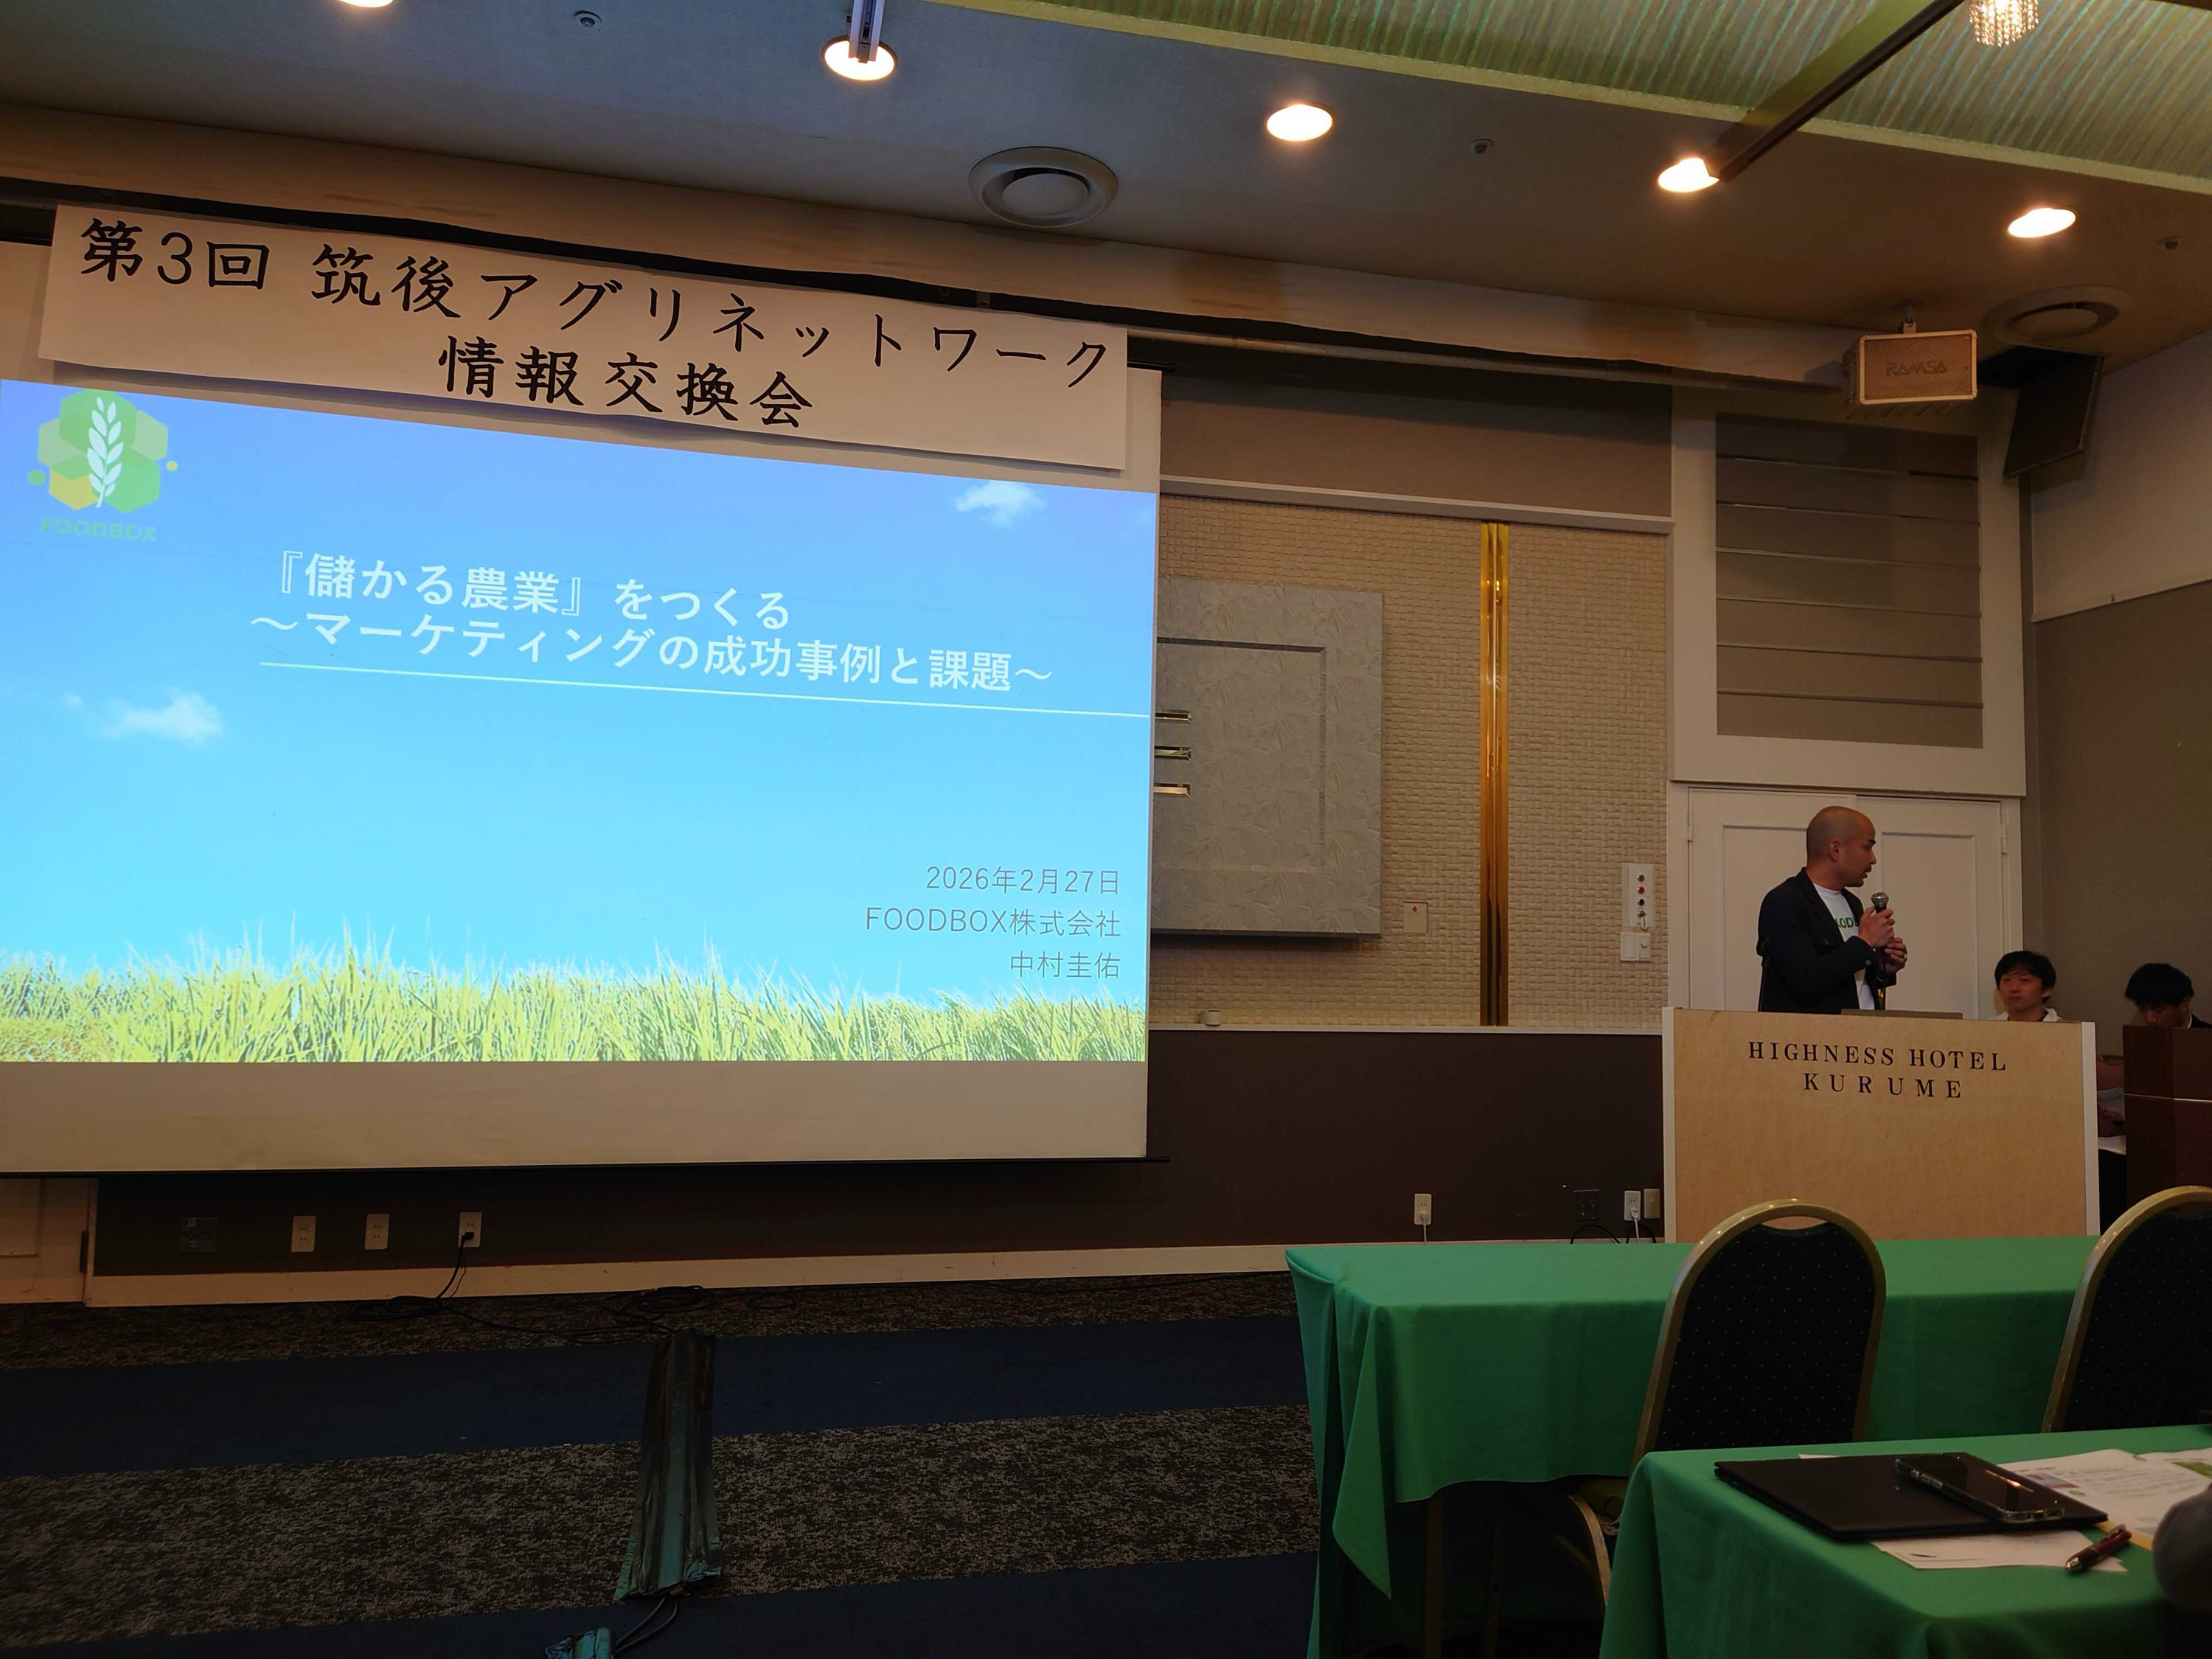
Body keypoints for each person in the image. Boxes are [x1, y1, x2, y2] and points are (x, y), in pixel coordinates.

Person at [1756, 805, 1908, 1014]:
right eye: (1867, 848)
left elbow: (1850, 981)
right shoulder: (1785, 902)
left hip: (1866, 1030)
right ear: (1836, 849)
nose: (1873, 859)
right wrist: (1865, 943)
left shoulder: (1852, 902)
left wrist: (1882, 968)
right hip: (1817, 1033)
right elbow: (1806, 981)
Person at [2124, 962, 2212, 1029]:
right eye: (2142, 1009)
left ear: (2184, 1003)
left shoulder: (2207, 1037)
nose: (2150, 1019)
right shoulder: (2140, 1039)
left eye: (2158, 1010)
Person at [1992, 950, 2061, 1021]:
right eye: (2007, 980)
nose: (2014, 988)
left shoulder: (2063, 1027)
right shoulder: (1988, 1026)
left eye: (2025, 980)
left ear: (2047, 990)